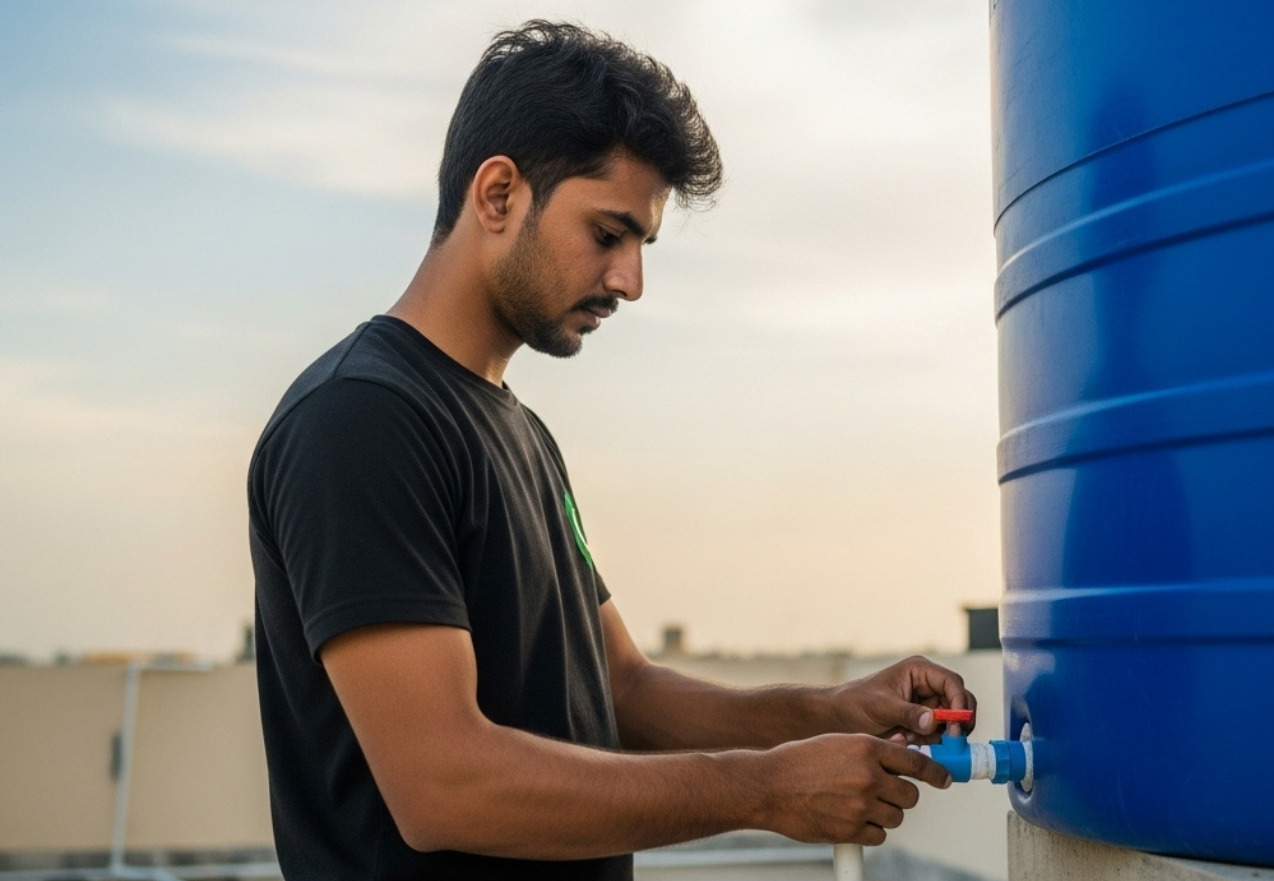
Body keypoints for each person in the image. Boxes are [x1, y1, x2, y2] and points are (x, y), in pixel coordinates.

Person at [248, 20, 977, 881]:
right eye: (607, 234)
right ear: (497, 195)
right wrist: (763, 789)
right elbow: (443, 782)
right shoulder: (360, 419)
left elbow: (622, 687)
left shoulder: (521, 433)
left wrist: (829, 711)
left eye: (641, 245)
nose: (631, 280)